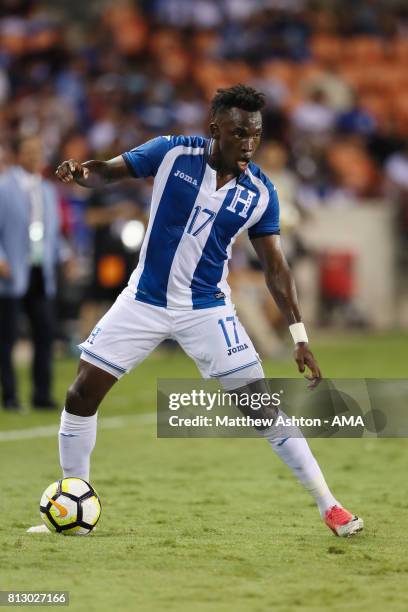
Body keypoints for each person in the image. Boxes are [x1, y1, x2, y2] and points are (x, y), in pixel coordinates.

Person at [28, 85, 363, 536]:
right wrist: (81, 172)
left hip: (207, 310)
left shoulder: (261, 191)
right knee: (80, 394)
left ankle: (330, 505)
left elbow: (276, 267)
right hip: (144, 301)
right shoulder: (172, 152)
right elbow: (109, 171)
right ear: (214, 129)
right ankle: (75, 499)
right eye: (238, 133)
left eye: (255, 135)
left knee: (261, 406)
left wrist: (299, 335)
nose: (247, 144)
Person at [0, 134, 66, 411]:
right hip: (12, 272)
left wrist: (65, 254)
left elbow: (51, 232)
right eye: (28, 151)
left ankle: (42, 394)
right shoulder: (4, 188)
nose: (34, 156)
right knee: (7, 337)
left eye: (38, 151)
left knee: (45, 333)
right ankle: (11, 396)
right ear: (17, 155)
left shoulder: (48, 190)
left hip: (41, 271)